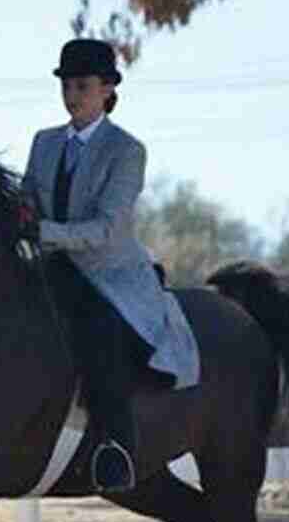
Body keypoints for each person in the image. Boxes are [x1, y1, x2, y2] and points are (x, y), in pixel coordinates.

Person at [19, 38, 200, 492]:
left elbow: (104, 229)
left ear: (107, 90)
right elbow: (25, 202)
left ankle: (115, 448)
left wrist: (41, 232)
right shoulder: (43, 143)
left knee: (98, 333)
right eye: (67, 85)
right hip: (50, 267)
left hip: (110, 275)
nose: (72, 94)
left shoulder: (126, 151)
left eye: (82, 85)